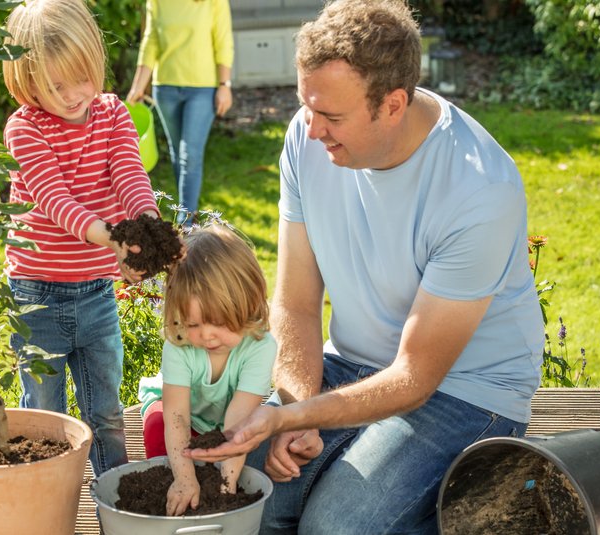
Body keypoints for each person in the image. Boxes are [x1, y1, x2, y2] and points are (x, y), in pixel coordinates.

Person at [185, 1, 545, 533]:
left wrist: (294, 418)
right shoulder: (305, 142)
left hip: (464, 390)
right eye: (307, 106)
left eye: (332, 117)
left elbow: (416, 378)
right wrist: (296, 406)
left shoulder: (478, 189)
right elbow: (295, 303)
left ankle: (495, 512)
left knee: (334, 529)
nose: (312, 130)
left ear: (393, 104)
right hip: (351, 365)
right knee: (244, 498)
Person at [1, 0, 162, 477]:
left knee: (106, 413)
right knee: (47, 420)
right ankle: (49, 505)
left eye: (83, 78)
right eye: (55, 85)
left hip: (95, 293)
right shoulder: (25, 129)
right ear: (27, 81)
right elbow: (55, 201)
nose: (74, 95)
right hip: (37, 297)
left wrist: (147, 224)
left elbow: (129, 174)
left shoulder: (112, 114)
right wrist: (114, 238)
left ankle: (114, 499)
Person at [137, 224, 276, 516]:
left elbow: (238, 421)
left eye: (220, 323)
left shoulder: (260, 347)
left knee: (253, 448)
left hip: (225, 420)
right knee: (156, 428)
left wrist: (225, 491)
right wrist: (185, 478)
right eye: (193, 324)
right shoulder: (180, 345)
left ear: (248, 305)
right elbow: (177, 417)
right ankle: (169, 484)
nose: (208, 336)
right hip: (179, 414)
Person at [125, 0, 234, 224]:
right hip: (165, 87)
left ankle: (186, 224)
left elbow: (223, 40)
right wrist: (138, 85)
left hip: (203, 88)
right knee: (178, 154)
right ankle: (185, 213)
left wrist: (225, 85)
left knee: (189, 156)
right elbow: (151, 39)